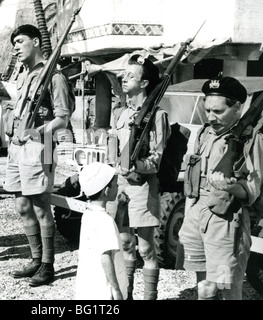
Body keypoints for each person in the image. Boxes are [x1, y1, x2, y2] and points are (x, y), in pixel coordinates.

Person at [178, 76, 263, 300]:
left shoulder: (251, 139)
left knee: (228, 288)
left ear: (237, 107)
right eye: (207, 110)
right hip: (197, 212)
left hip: (226, 219)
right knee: (204, 288)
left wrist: (232, 187)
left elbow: (252, 190)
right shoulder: (204, 133)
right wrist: (189, 212)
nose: (210, 117)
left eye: (217, 111)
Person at [4, 24, 73, 287]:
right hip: (17, 146)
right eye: (14, 43)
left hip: (38, 145)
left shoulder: (53, 76)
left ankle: (48, 265)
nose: (16, 47)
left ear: (35, 41)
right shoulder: (24, 75)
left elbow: (63, 119)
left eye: (20, 41)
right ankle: (35, 258)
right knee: (22, 205)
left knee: (40, 207)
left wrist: (36, 130)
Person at [106, 51, 171, 300]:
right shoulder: (121, 113)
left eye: (130, 76)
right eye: (124, 74)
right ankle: (126, 296)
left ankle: (149, 297)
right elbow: (112, 148)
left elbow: (157, 157)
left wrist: (138, 167)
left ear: (144, 83)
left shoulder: (157, 115)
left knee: (146, 249)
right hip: (120, 187)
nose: (124, 79)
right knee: (125, 246)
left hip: (142, 187)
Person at [75, 162, 128, 300]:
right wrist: (116, 290)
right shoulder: (104, 220)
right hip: (105, 291)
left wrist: (120, 211)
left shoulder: (89, 214)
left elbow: (107, 239)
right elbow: (105, 256)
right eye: (115, 184)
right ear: (106, 190)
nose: (117, 187)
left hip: (91, 288)